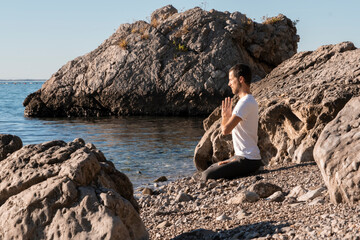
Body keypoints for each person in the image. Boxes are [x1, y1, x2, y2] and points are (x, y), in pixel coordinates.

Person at [201, 63, 262, 180]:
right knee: (211, 168)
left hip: (247, 160)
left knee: (206, 175)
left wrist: (225, 116)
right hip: (246, 157)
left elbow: (225, 130)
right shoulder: (247, 101)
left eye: (230, 80)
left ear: (241, 79)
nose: (229, 84)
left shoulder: (245, 103)